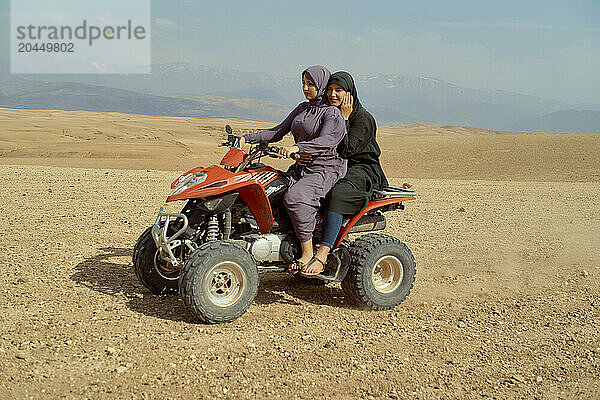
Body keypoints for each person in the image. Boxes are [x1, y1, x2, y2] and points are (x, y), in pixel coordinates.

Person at [239, 65, 347, 273]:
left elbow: (325, 141)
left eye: (311, 84)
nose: (306, 88)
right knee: (270, 188)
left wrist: (297, 147)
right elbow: (278, 131)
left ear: (322, 85)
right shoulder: (302, 108)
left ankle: (308, 253)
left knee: (295, 198)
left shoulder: (331, 113)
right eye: (303, 84)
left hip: (324, 169)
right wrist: (247, 138)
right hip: (301, 166)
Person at [301, 71, 389, 276]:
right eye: (330, 90)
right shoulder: (329, 113)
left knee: (337, 193)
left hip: (362, 169)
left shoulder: (363, 118)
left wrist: (345, 119)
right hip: (337, 165)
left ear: (349, 93)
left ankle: (322, 254)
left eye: (338, 90)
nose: (333, 94)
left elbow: (347, 149)